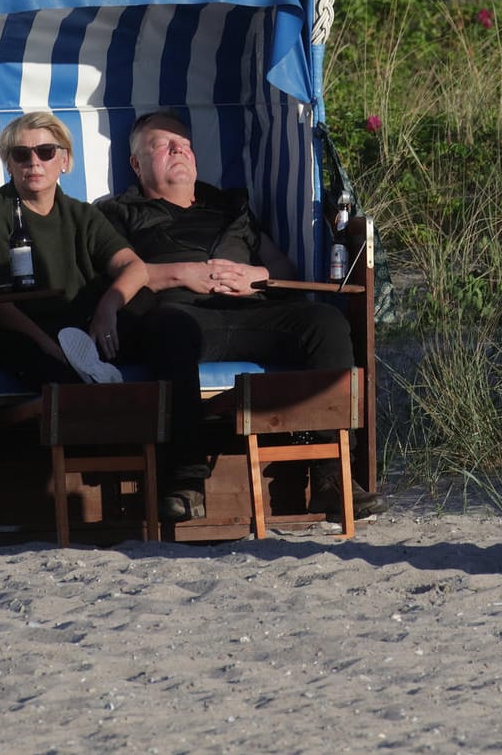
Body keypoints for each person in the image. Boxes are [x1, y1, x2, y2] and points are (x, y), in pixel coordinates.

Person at [100, 109, 388, 522]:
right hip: (180, 312)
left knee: (325, 324)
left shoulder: (230, 206)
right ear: (136, 164)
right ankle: (186, 481)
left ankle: (332, 477)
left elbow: (283, 269)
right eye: (162, 146)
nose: (178, 151)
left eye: (184, 144)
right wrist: (183, 275)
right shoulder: (118, 213)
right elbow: (119, 272)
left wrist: (258, 276)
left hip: (250, 309)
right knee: (170, 330)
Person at [0, 112, 147, 386]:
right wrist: (51, 347)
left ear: (65, 160)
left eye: (46, 152)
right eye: (21, 154)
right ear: (9, 165)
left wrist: (107, 308)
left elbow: (135, 268)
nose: (34, 162)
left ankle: (178, 427)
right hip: (21, 335)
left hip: (81, 329)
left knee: (172, 327)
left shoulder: (81, 214)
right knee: (40, 359)